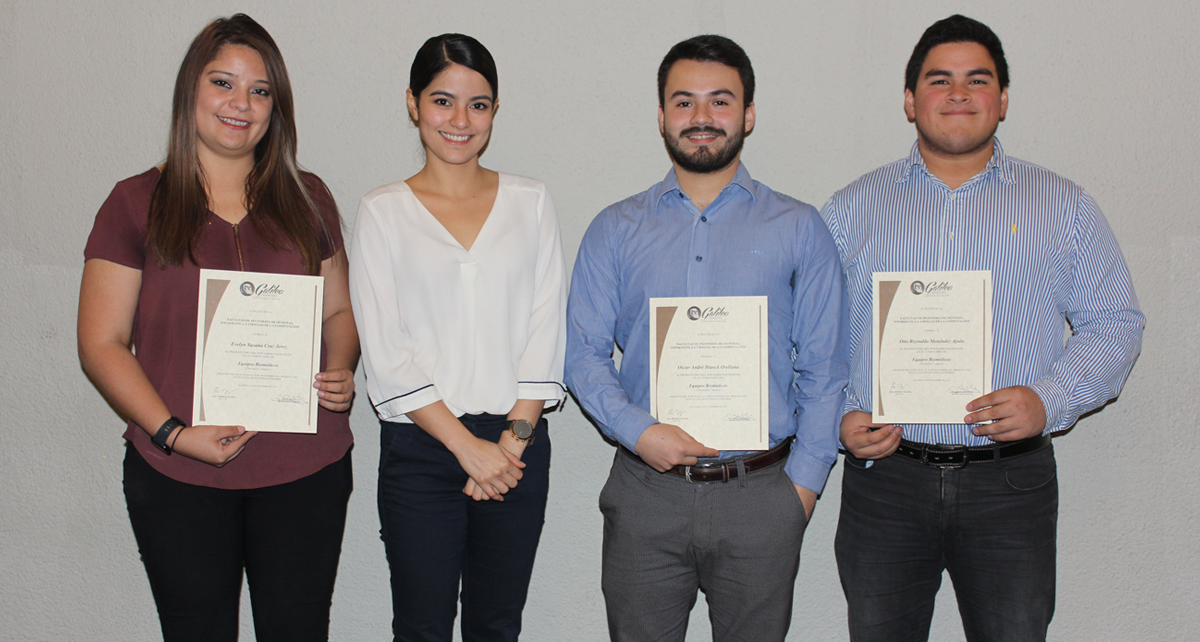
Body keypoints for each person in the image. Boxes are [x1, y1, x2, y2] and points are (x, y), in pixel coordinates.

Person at [820, 14, 1145, 642]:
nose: (959, 93)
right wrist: (839, 414)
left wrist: (1050, 399)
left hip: (1010, 482)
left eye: (978, 79)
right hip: (886, 481)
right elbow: (807, 337)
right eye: (939, 80)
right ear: (911, 100)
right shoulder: (851, 209)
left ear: (1002, 100)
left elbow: (1116, 322)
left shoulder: (1062, 205)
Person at [77, 14, 359, 642]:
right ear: (191, 92)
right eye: (223, 83)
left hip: (304, 469)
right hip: (178, 472)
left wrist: (339, 367)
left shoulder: (310, 198)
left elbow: (338, 312)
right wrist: (174, 434)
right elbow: (100, 344)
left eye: (260, 90)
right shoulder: (133, 202)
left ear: (276, 107)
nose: (241, 103)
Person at [565, 35, 849, 642]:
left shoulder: (800, 228)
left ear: (748, 114)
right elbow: (582, 355)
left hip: (763, 495)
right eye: (684, 101)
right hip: (647, 494)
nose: (701, 118)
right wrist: (639, 431)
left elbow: (825, 368)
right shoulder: (614, 229)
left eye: (720, 101)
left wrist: (802, 488)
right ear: (662, 115)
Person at [348, 33, 566, 642]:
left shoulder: (532, 202)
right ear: (413, 104)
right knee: (421, 626)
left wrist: (508, 446)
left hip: (516, 446)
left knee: (497, 625)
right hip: (420, 450)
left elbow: (546, 331)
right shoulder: (382, 211)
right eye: (443, 101)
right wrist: (467, 449)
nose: (460, 120)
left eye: (479, 103)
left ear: (495, 110)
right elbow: (387, 355)